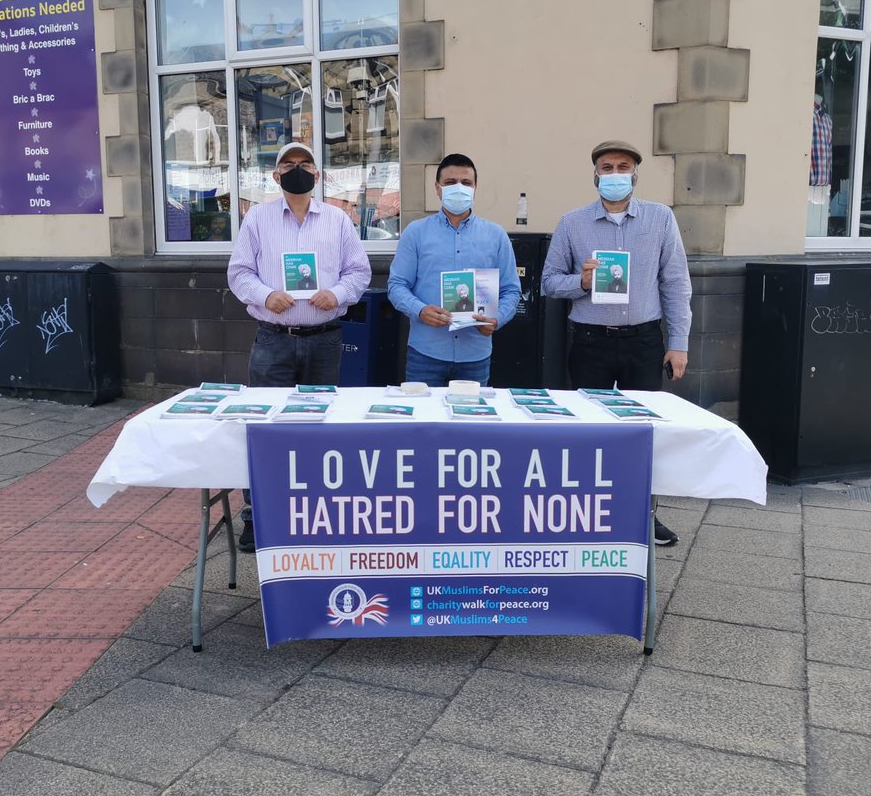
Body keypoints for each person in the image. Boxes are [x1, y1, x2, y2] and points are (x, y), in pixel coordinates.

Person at [542, 139, 692, 547]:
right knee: (589, 430)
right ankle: (588, 512)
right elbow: (549, 282)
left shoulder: (660, 219)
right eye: (606, 167)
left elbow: (676, 283)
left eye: (622, 167)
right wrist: (582, 282)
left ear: (635, 174)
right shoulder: (573, 223)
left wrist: (678, 343)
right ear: (595, 175)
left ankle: (645, 515)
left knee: (642, 431)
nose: (613, 174)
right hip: (590, 340)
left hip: (643, 339)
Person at [227, 141, 371, 551]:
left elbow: (358, 271)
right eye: (288, 165)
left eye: (304, 164)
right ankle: (257, 516)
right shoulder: (257, 218)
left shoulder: (339, 221)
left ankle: (312, 512)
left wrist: (339, 293)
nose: (296, 170)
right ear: (275, 176)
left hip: (324, 341)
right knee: (265, 429)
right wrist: (265, 294)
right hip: (274, 341)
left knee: (317, 430)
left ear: (318, 175)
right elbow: (239, 273)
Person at [387, 153, 520, 387]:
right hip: (425, 353)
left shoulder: (496, 235)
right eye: (450, 183)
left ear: (475, 188)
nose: (459, 188)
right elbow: (397, 286)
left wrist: (496, 320)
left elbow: (511, 290)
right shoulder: (415, 233)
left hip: (475, 355)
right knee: (424, 422)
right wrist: (420, 310)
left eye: (466, 183)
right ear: (437, 189)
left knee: (470, 422)